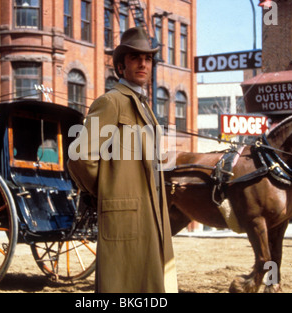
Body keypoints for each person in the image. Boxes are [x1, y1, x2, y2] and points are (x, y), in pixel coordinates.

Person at [67, 27, 178, 293]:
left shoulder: (143, 104)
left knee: (152, 285)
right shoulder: (111, 102)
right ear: (120, 66)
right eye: (134, 57)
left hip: (151, 214)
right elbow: (79, 156)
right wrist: (106, 190)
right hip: (125, 215)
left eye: (148, 58)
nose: (143, 63)